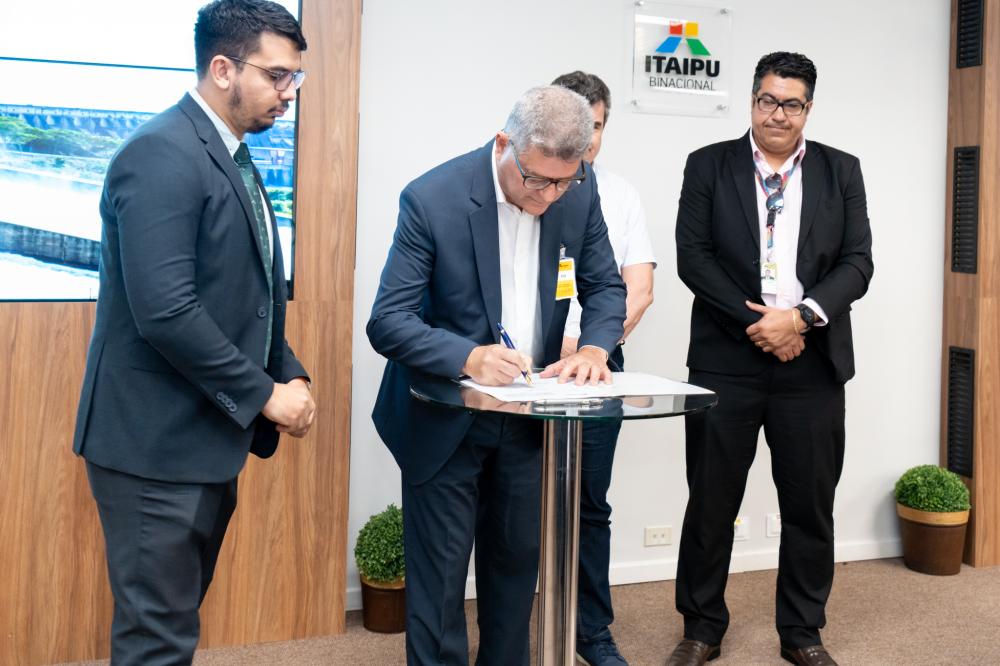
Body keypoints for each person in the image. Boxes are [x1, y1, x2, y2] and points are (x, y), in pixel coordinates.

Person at [71, 1, 315, 662]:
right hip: (154, 448)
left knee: (171, 626)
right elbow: (167, 311)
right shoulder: (160, 155)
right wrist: (266, 394)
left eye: (296, 78)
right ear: (222, 69)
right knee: (158, 639)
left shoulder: (228, 155)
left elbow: (245, 293)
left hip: (203, 437)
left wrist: (286, 366)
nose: (288, 93)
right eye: (277, 76)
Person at [367, 85, 626, 665]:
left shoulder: (578, 197)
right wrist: (466, 356)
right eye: (538, 180)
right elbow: (388, 321)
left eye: (565, 181)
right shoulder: (433, 198)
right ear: (505, 144)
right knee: (438, 591)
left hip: (529, 421)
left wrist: (594, 347)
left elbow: (607, 286)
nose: (550, 196)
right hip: (444, 418)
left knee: (513, 582)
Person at [668, 52, 873, 666]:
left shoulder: (842, 171)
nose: (776, 113)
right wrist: (761, 322)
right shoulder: (708, 165)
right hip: (726, 361)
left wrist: (801, 317)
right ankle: (701, 629)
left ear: (808, 108)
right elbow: (692, 256)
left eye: (790, 103)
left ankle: (803, 633)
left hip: (812, 363)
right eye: (766, 99)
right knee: (710, 501)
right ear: (751, 100)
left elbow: (857, 263)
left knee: (809, 503)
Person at [551, 71, 655, 666]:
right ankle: (514, 627)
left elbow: (638, 289)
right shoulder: (524, 184)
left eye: (595, 127)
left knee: (589, 503)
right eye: (575, 125)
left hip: (595, 367)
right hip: (526, 366)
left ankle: (592, 631)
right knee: (514, 502)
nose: (586, 139)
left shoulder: (619, 194)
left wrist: (590, 347)